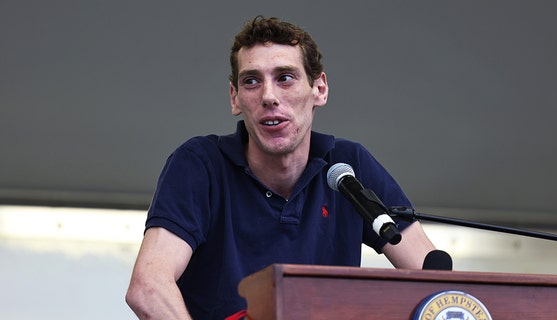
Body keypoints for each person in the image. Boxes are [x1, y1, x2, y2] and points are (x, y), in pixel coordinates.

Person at [125, 15, 437, 320]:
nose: (269, 96)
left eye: (284, 77)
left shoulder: (348, 166)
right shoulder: (199, 164)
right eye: (251, 81)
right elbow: (149, 287)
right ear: (235, 98)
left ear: (319, 89)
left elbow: (438, 284)